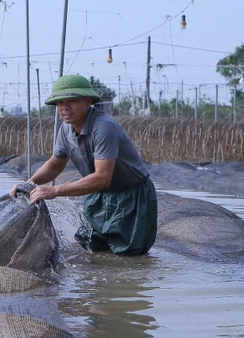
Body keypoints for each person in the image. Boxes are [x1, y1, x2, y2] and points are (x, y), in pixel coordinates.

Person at [10, 74, 157, 256]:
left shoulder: (104, 127)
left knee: (128, 256)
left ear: (87, 101)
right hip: (100, 195)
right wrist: (30, 183)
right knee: (92, 247)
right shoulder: (65, 129)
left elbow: (103, 177)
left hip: (131, 196)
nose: (64, 107)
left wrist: (54, 191)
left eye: (71, 101)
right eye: (59, 103)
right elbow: (55, 164)